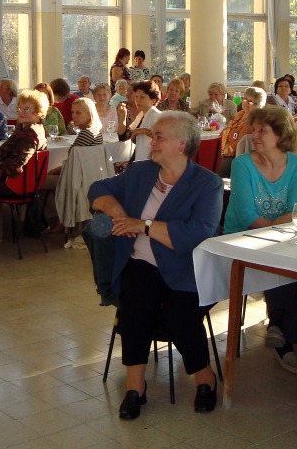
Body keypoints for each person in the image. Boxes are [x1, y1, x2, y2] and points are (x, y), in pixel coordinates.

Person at [88, 112, 223, 418]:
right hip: (143, 262)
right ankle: (135, 388)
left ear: (182, 144)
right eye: (153, 135)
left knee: (179, 317)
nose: (153, 140)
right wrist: (119, 212)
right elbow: (98, 189)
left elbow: (198, 234)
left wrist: (145, 224)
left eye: (160, 136)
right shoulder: (141, 172)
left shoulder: (207, 183)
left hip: (189, 268)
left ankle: (205, 377)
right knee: (135, 308)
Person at [224, 106, 297, 374]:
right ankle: (283, 338)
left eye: (262, 130)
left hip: (279, 237)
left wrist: (275, 234)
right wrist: (274, 232)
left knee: (295, 257)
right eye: (255, 128)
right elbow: (248, 215)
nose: (254, 134)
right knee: (281, 256)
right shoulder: (242, 164)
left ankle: (278, 328)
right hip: (242, 238)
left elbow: (296, 209)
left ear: (280, 134)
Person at [45, 98, 104, 233]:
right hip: (89, 176)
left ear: (90, 114)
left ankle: (59, 219)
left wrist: (55, 170)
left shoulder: (85, 134)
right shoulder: (96, 131)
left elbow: (72, 162)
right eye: (72, 113)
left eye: (79, 113)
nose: (74, 116)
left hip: (77, 180)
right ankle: (62, 218)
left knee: (36, 182)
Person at [0, 90, 48, 196]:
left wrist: (0, 167)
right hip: (19, 181)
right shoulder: (32, 128)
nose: (21, 112)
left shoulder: (30, 132)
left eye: (27, 109)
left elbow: (20, 160)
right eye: (19, 108)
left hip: (13, 183)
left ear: (39, 111)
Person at [219, 86, 266, 177]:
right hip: (226, 152)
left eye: (250, 102)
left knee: (212, 166)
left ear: (258, 104)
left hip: (236, 157)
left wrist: (223, 152)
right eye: (245, 99)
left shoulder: (254, 120)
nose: (246, 103)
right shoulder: (240, 115)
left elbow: (239, 143)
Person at [117, 80, 161, 161]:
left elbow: (161, 137)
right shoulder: (141, 115)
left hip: (151, 161)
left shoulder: (156, 115)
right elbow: (124, 137)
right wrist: (123, 117)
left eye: (142, 97)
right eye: (136, 96)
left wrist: (142, 131)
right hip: (138, 158)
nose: (138, 100)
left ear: (153, 100)